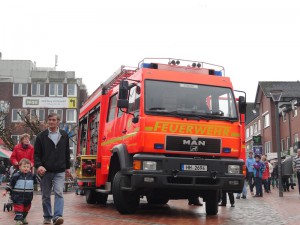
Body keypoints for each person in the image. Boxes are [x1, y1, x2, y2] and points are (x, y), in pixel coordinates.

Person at [34, 112, 71, 225]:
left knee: (59, 192)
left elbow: (66, 152)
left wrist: (68, 167)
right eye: (49, 119)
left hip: (59, 170)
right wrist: (39, 165)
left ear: (58, 122)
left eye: (53, 120)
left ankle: (57, 216)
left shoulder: (64, 135)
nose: (51, 122)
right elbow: (36, 154)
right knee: (45, 195)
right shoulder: (41, 136)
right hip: (45, 171)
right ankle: (47, 216)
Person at [2, 158, 37, 225]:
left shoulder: (32, 176)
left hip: (28, 197)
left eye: (27, 167)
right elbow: (11, 184)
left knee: (26, 209)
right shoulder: (16, 176)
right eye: (24, 166)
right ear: (20, 167)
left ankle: (23, 218)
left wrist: (41, 176)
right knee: (19, 208)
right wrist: (6, 190)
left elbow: (37, 181)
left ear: (30, 167)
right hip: (17, 196)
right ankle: (18, 220)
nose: (26, 168)